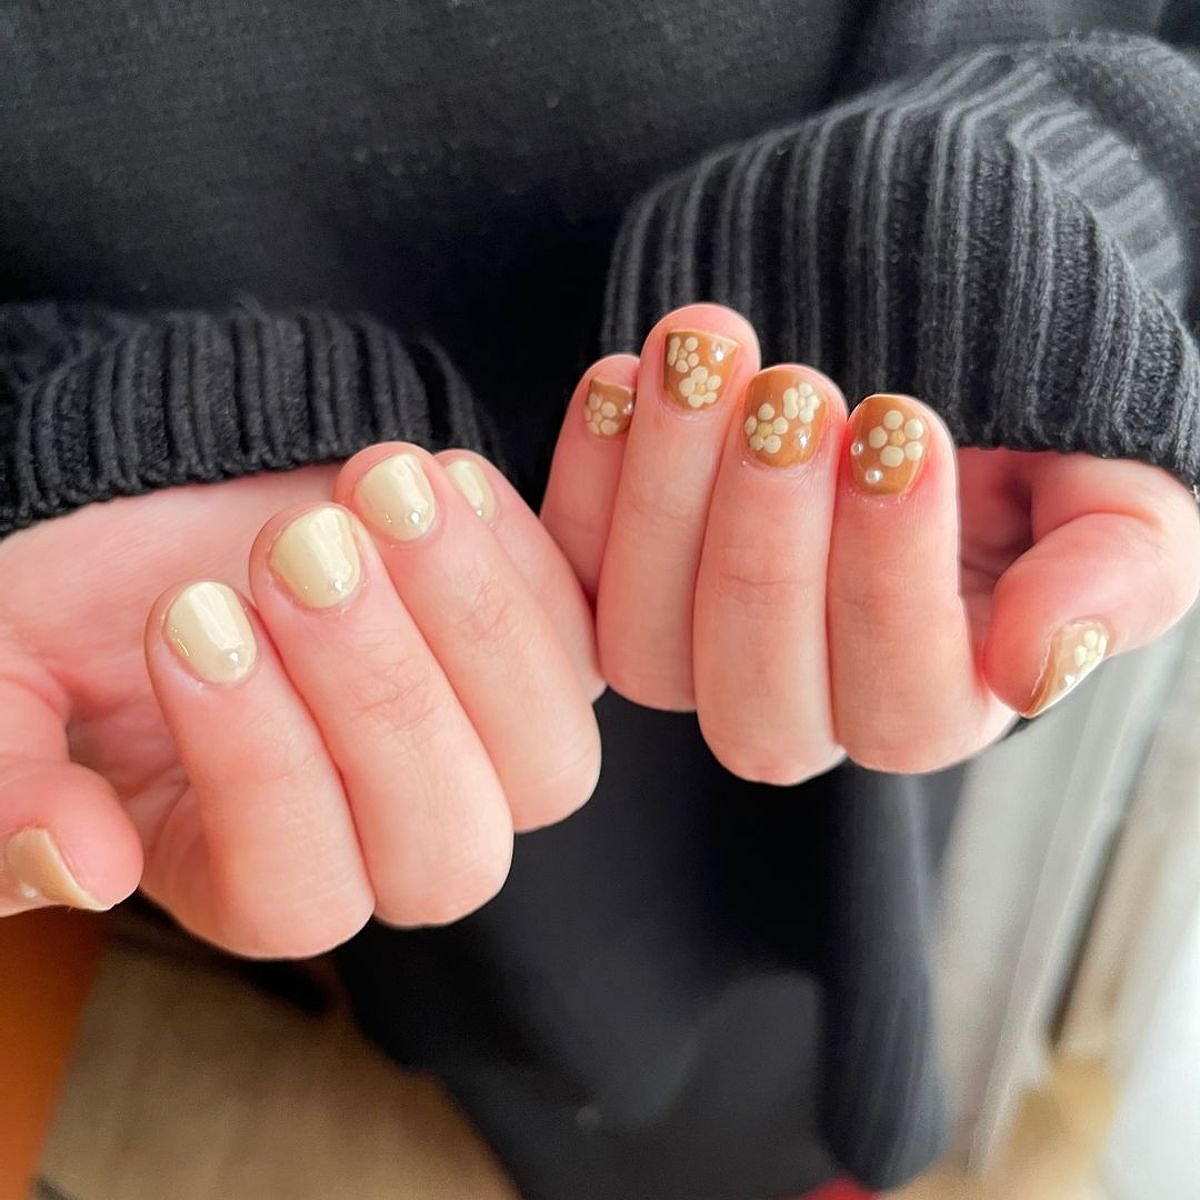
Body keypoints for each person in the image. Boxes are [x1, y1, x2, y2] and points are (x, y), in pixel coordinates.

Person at [2, 2, 1198, 1196]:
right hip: (307, 663)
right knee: (496, 990)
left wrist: (1044, 224)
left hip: (842, 554)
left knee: (766, 1007)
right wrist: (62, 430)